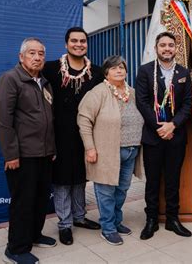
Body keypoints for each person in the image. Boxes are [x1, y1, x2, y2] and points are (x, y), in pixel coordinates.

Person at [0, 37, 57, 264]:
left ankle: (34, 235)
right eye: (32, 53)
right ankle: (16, 249)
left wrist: (51, 148)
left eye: (41, 53)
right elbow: (3, 120)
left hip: (44, 154)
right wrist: (10, 154)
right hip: (22, 156)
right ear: (21, 57)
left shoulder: (45, 82)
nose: (38, 57)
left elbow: (49, 120)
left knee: (41, 199)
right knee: (23, 202)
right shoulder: (10, 79)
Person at [42, 27, 102, 246]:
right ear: (66, 44)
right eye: (74, 41)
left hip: (85, 134)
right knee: (61, 181)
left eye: (83, 41)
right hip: (57, 134)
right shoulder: (50, 68)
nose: (79, 44)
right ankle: (64, 224)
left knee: (80, 178)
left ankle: (79, 217)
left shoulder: (96, 72)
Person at [77, 55, 144, 246]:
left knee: (122, 190)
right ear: (106, 72)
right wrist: (90, 148)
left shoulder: (132, 92)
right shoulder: (98, 92)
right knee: (106, 191)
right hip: (106, 152)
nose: (119, 71)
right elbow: (84, 120)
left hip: (131, 150)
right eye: (114, 68)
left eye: (122, 67)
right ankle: (108, 228)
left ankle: (116, 220)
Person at [136, 31, 192, 240]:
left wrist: (173, 125)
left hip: (176, 136)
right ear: (156, 48)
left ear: (175, 48)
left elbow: (188, 103)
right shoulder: (145, 71)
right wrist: (159, 127)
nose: (167, 48)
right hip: (153, 135)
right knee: (152, 181)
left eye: (171, 45)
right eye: (163, 45)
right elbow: (141, 102)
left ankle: (172, 219)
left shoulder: (184, 72)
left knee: (172, 180)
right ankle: (151, 219)